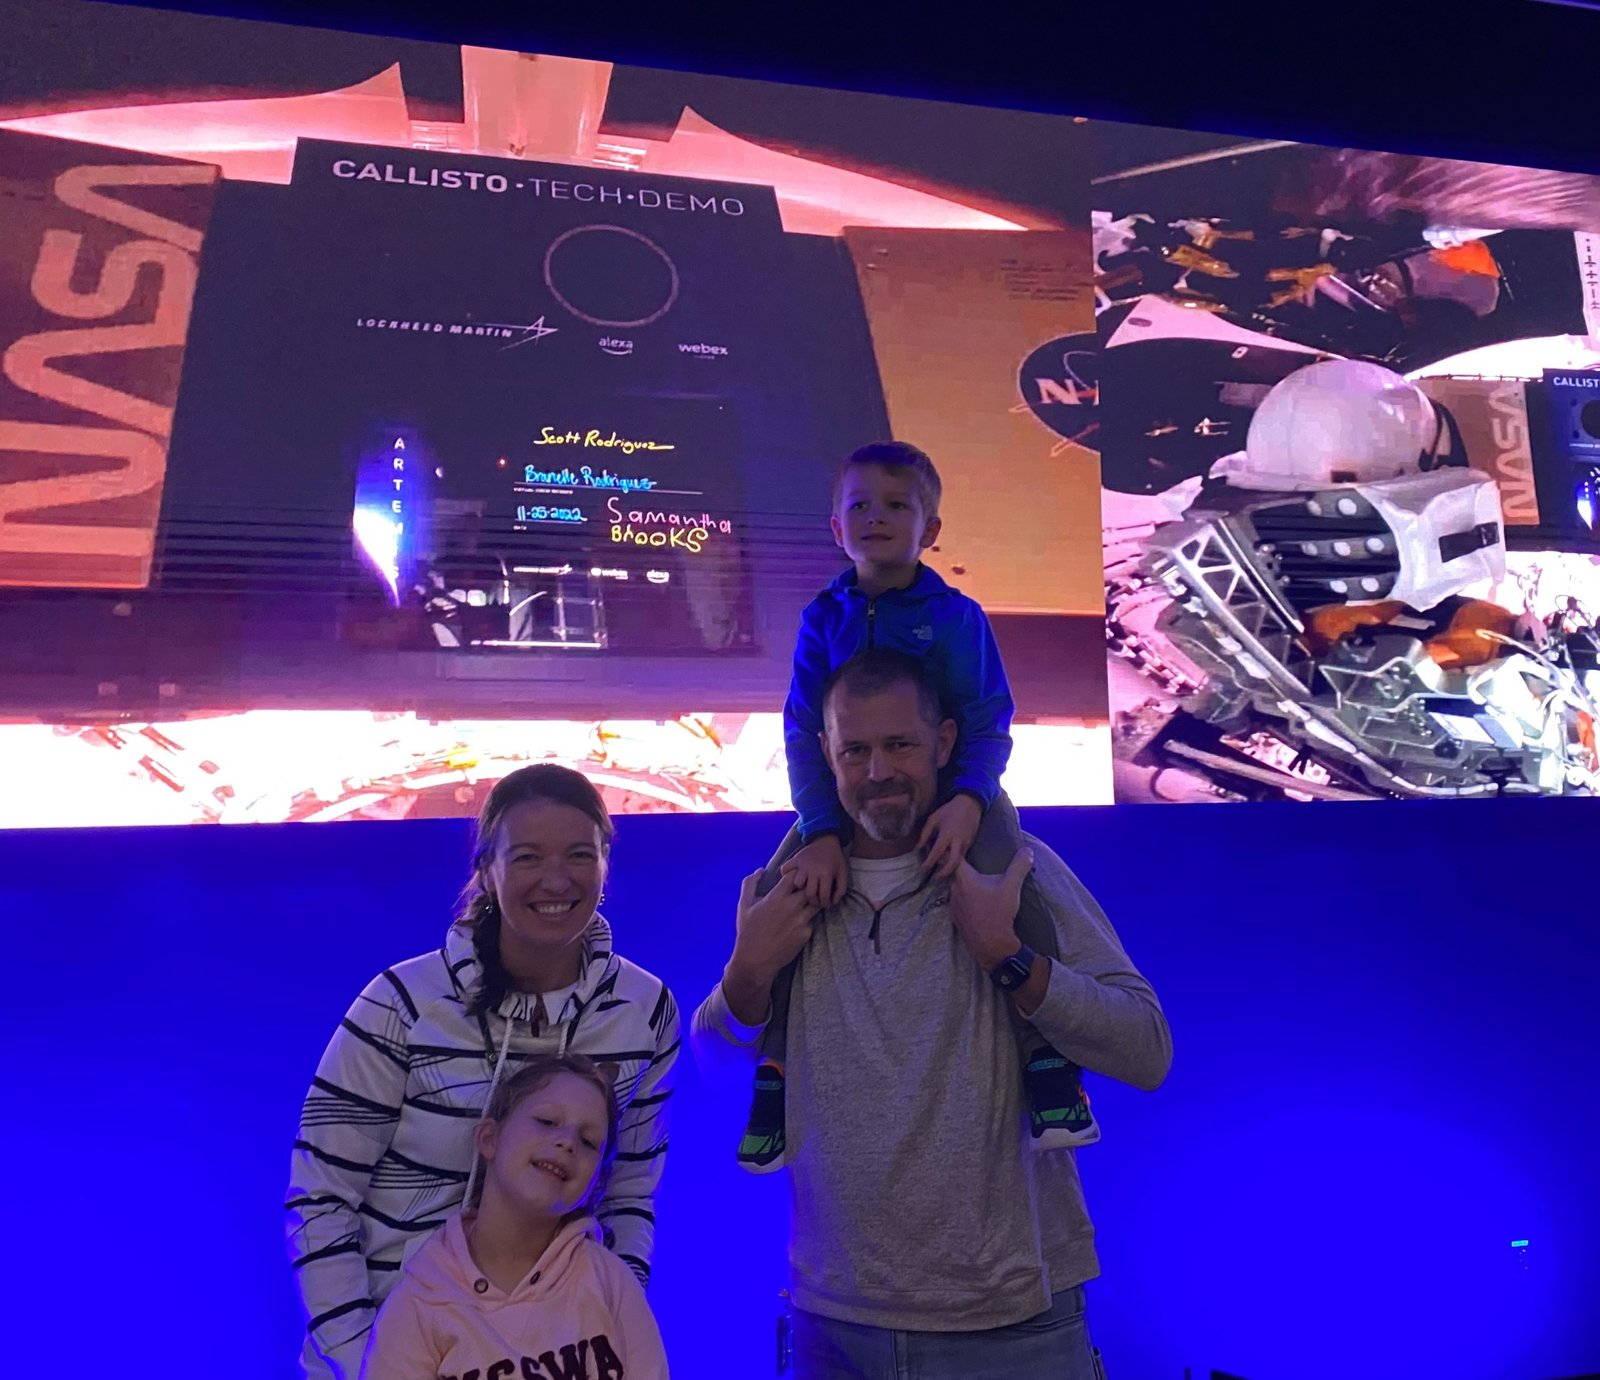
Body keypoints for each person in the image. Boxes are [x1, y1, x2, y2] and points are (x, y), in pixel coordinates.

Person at [693, 650, 1172, 1379]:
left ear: (945, 742)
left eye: (900, 745)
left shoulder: (1017, 870)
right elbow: (716, 1070)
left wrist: (1009, 957)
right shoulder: (785, 892)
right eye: (856, 750)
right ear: (825, 754)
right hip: (832, 1329)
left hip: (1015, 1326)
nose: (878, 771)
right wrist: (748, 971)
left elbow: (1147, 1049)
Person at [737, 440, 1096, 1174]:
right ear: (835, 528)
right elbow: (804, 732)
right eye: (860, 505)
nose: (876, 517)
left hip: (965, 798)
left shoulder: (956, 616)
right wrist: (823, 831)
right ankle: (773, 1076)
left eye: (896, 505)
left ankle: (1049, 1064)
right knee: (780, 897)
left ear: (929, 530)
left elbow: (988, 718)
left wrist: (967, 802)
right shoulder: (821, 618)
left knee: (1013, 886)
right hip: (838, 811)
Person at [287, 765, 681, 1380]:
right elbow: (320, 1197)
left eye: (580, 854)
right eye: (528, 856)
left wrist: (614, 1323)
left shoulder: (644, 1011)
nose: (556, 878)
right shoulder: (400, 1004)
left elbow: (628, 1194)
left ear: (606, 864)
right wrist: (369, 1361)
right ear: (487, 870)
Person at [359, 1054, 669, 1380]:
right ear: (489, 1138)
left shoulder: (612, 1282)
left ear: (596, 1182)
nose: (567, 1142)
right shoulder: (418, 1305)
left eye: (588, 1141)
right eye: (547, 1121)